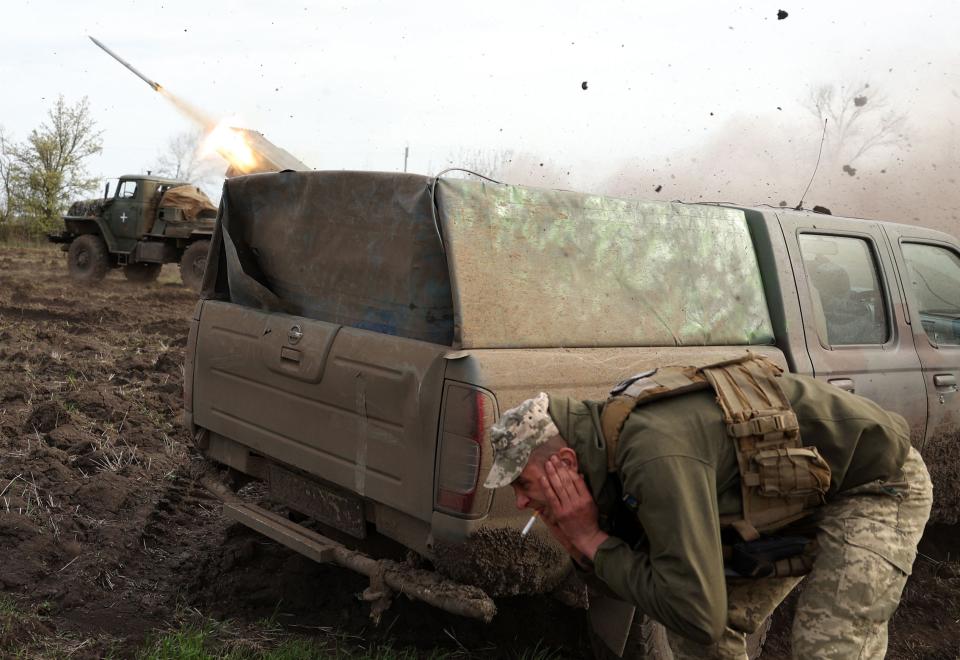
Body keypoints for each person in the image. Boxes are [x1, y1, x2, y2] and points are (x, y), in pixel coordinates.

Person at [483, 355, 932, 659]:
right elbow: (654, 595)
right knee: (703, 637)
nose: (521, 500)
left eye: (523, 482)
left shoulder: (652, 456)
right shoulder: (605, 459)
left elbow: (696, 609)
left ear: (564, 461)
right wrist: (584, 546)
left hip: (876, 485)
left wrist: (592, 540)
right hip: (798, 501)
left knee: (827, 646)